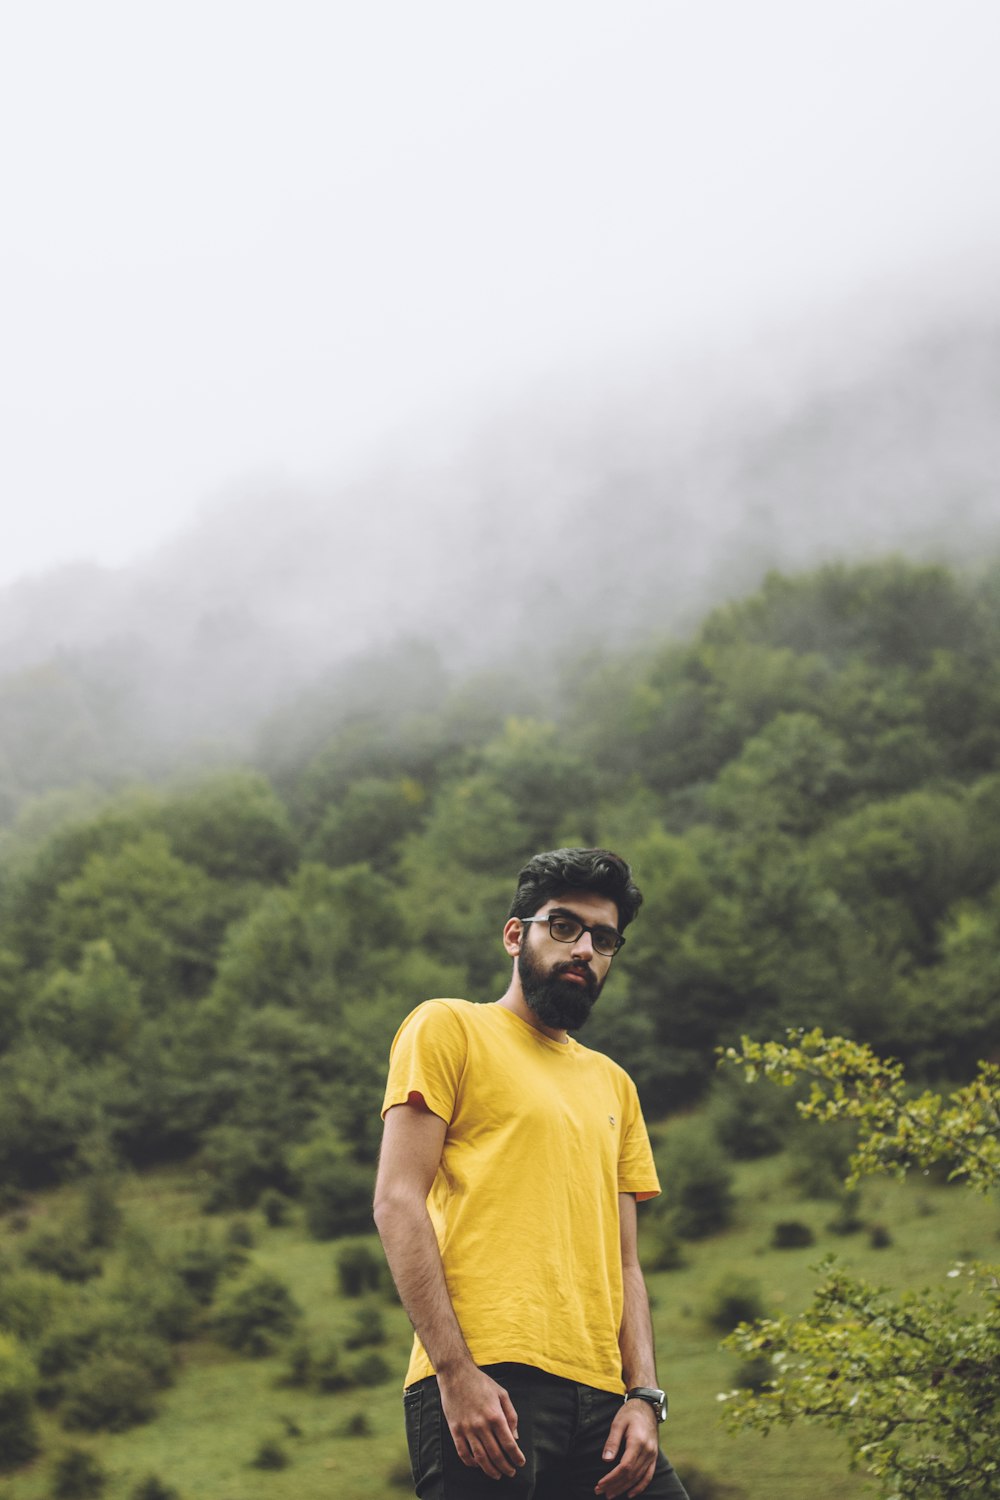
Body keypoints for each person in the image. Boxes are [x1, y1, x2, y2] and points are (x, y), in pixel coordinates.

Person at [374, 847, 690, 1499]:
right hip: (489, 1385)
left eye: (603, 939)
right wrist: (454, 1373)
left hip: (605, 1403)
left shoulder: (615, 1085)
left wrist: (644, 1395)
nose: (584, 950)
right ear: (516, 935)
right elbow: (397, 1202)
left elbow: (627, 1263)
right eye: (564, 926)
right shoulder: (448, 1029)